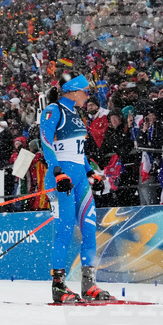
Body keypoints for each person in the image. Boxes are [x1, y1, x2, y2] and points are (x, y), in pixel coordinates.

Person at [39, 74, 115, 304]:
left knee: (90, 229)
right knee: (63, 232)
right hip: (61, 180)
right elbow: (46, 143)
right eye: (85, 91)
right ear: (72, 91)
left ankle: (88, 283)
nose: (87, 95)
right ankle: (59, 286)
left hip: (80, 179)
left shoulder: (76, 114)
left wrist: (91, 172)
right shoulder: (53, 111)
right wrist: (57, 172)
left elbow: (78, 151)